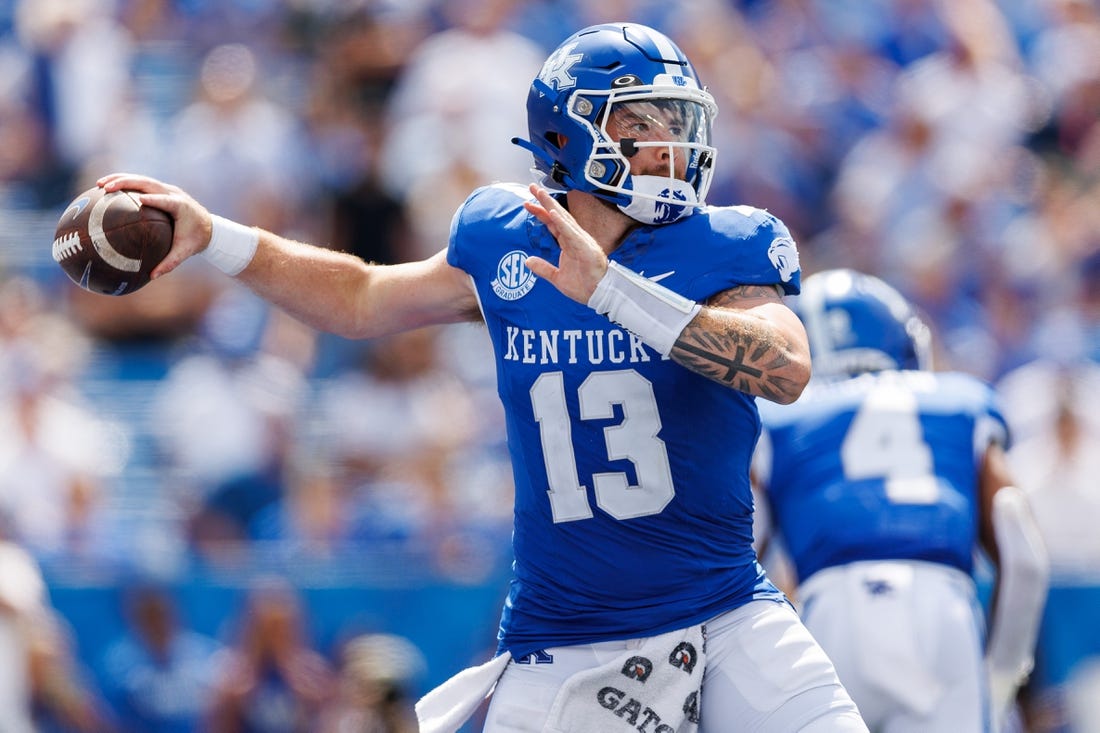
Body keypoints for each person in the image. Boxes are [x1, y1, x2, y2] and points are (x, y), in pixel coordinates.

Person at [99, 22, 868, 732]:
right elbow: (363, 299)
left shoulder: (725, 243)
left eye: (673, 120)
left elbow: (786, 366)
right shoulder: (505, 238)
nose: (669, 143)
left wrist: (612, 291)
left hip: (726, 611)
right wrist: (216, 235)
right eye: (641, 123)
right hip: (566, 636)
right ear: (572, 133)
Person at [751, 268, 1050, 732]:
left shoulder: (775, 420)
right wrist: (1002, 675)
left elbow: (737, 554)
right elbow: (1022, 550)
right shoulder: (960, 401)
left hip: (829, 615)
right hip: (941, 611)